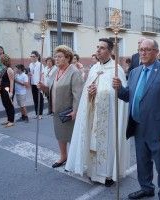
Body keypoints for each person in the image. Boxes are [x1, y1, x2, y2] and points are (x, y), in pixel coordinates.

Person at [113, 39, 160, 200]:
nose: (142, 53)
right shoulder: (135, 72)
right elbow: (129, 96)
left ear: (156, 52)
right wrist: (119, 88)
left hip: (158, 128)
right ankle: (146, 187)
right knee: (142, 161)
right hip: (137, 125)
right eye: (141, 49)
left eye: (147, 50)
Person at [65, 38, 130, 187]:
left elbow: (120, 97)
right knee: (92, 142)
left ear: (110, 51)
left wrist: (101, 93)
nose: (98, 50)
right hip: (94, 113)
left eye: (102, 48)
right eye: (97, 47)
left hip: (109, 118)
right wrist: (90, 92)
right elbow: (88, 90)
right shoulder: (94, 68)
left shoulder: (116, 70)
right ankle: (93, 172)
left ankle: (107, 174)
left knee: (107, 143)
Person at [38, 45, 83, 168]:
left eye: (59, 56)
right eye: (55, 56)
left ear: (67, 58)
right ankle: (63, 156)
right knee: (60, 135)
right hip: (57, 110)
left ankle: (75, 160)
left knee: (72, 137)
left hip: (69, 112)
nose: (56, 59)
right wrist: (44, 88)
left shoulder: (74, 72)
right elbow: (52, 90)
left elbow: (78, 94)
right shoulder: (56, 71)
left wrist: (75, 111)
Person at [0, 54, 15, 127]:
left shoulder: (9, 69)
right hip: (3, 89)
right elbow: (1, 79)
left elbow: (12, 81)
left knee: (9, 105)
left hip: (8, 89)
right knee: (5, 104)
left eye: (1, 60)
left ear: (4, 61)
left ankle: (11, 121)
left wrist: (11, 92)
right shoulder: (4, 69)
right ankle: (8, 119)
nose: (0, 61)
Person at [28, 50, 44, 119]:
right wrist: (29, 74)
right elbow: (31, 74)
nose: (32, 58)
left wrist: (41, 83)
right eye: (31, 56)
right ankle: (37, 114)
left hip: (38, 84)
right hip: (33, 83)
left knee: (40, 99)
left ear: (37, 57)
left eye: (33, 56)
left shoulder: (40, 64)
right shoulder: (30, 64)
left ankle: (40, 114)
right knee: (35, 99)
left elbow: (42, 74)